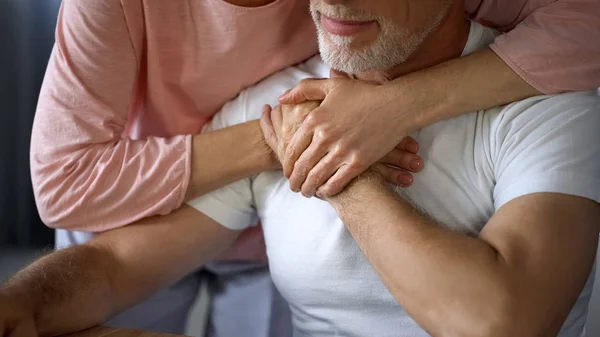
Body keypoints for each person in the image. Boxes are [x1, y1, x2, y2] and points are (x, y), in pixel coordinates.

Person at [3, 1, 599, 336]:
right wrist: (23, 301)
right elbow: (111, 266)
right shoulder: (272, 104)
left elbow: (501, 325)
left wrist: (343, 165)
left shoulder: (550, 111)